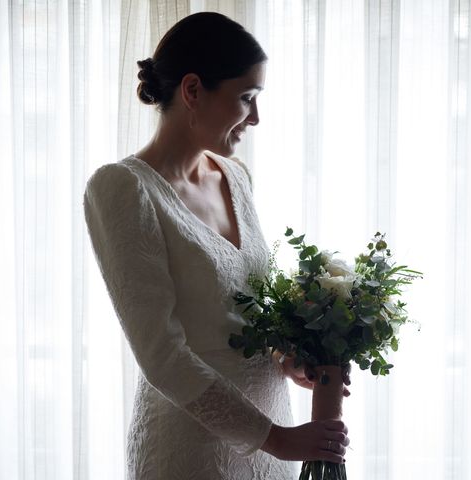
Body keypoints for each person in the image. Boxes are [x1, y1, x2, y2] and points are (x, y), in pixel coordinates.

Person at [83, 12, 350, 479]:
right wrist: (277, 438)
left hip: (274, 439)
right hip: (191, 450)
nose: (256, 117)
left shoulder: (236, 177)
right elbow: (161, 355)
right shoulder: (123, 188)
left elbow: (242, 310)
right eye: (246, 98)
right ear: (192, 90)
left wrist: (288, 360)